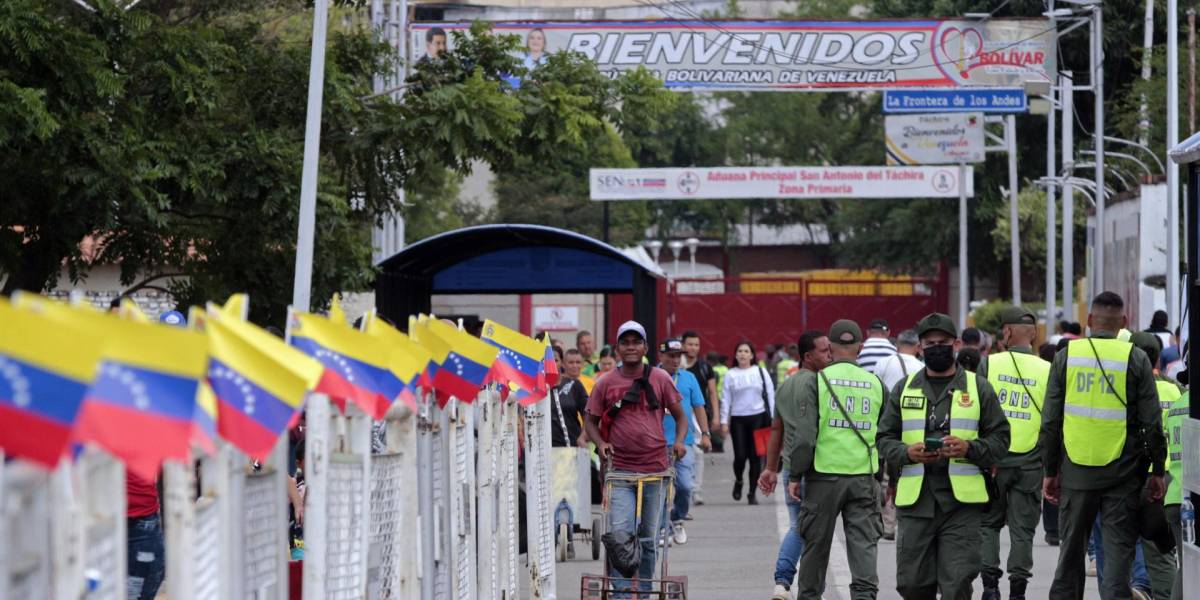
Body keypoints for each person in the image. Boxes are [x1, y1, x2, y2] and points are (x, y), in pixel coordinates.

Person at [1040, 291, 1167, 600]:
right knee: (1117, 560)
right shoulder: (1135, 358)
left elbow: (1051, 421)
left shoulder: (1066, 357)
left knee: (1070, 556)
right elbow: (1152, 424)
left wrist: (1050, 471)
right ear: (1124, 322)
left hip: (1076, 475)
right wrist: (1157, 471)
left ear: (1089, 321)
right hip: (1122, 478)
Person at [877, 312, 1011, 600]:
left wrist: (969, 448)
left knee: (958, 582)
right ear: (919, 348)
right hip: (916, 502)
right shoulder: (904, 388)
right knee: (912, 584)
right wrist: (906, 453)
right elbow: (883, 438)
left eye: (943, 342)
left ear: (957, 344)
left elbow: (1001, 439)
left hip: (961, 505)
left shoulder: (979, 388)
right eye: (930, 343)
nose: (936, 347)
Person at [583, 321, 686, 592]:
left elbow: (680, 416)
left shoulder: (660, 379)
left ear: (645, 347)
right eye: (625, 343)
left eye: (636, 342)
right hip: (620, 471)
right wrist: (601, 442)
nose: (631, 347)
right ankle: (620, 593)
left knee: (649, 538)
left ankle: (643, 592)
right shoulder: (605, 382)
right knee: (620, 536)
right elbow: (590, 421)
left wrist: (678, 442)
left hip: (656, 469)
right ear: (617, 348)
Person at [784, 320, 884, 600]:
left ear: (830, 348)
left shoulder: (818, 381)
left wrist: (794, 475)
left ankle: (810, 596)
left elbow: (805, 436)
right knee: (864, 546)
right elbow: (885, 433)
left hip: (824, 478)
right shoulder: (875, 384)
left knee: (816, 547)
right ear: (860, 348)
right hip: (864, 478)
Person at [977, 306, 1051, 600]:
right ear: (1033, 335)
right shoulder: (1047, 368)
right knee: (1023, 530)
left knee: (988, 524)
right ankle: (1018, 591)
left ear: (1006, 332)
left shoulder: (989, 365)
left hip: (994, 460)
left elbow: (977, 415)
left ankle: (990, 588)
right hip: (1031, 462)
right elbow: (1052, 420)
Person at [759, 330, 832, 599]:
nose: (830, 354)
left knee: (799, 526)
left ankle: (784, 584)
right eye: (824, 351)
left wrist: (770, 467)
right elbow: (806, 433)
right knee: (810, 531)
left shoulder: (786, 385)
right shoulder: (819, 384)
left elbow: (775, 429)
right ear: (808, 356)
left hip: (790, 466)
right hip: (811, 469)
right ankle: (792, 582)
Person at [657, 338, 711, 545]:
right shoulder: (652, 376)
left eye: (678, 356)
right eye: (671, 356)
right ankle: (662, 528)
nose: (675, 360)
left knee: (686, 486)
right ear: (661, 356)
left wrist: (705, 434)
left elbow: (699, 407)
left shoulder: (689, 378)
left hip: (684, 442)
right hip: (656, 442)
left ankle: (677, 519)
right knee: (659, 487)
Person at [721, 341, 776, 505]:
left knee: (755, 457)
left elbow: (770, 395)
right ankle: (739, 480)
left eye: (746, 351)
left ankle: (752, 492)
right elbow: (726, 399)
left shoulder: (760, 371)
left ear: (752, 355)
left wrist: (774, 419)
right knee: (739, 456)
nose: (743, 354)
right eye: (740, 351)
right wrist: (724, 421)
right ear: (736, 355)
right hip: (738, 418)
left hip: (758, 418)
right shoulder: (730, 374)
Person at [682, 331, 722, 453]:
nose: (693, 348)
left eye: (696, 345)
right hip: (679, 412)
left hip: (699, 414)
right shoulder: (675, 366)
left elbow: (712, 392)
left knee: (698, 451)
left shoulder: (705, 367)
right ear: (683, 345)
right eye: (690, 344)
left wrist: (716, 416)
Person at [552, 347, 589, 448]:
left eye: (555, 360)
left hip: (571, 448)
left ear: (561, 363)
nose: (551, 363)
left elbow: (588, 415)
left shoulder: (575, 385)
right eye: (571, 362)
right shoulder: (536, 388)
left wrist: (583, 437)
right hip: (543, 452)